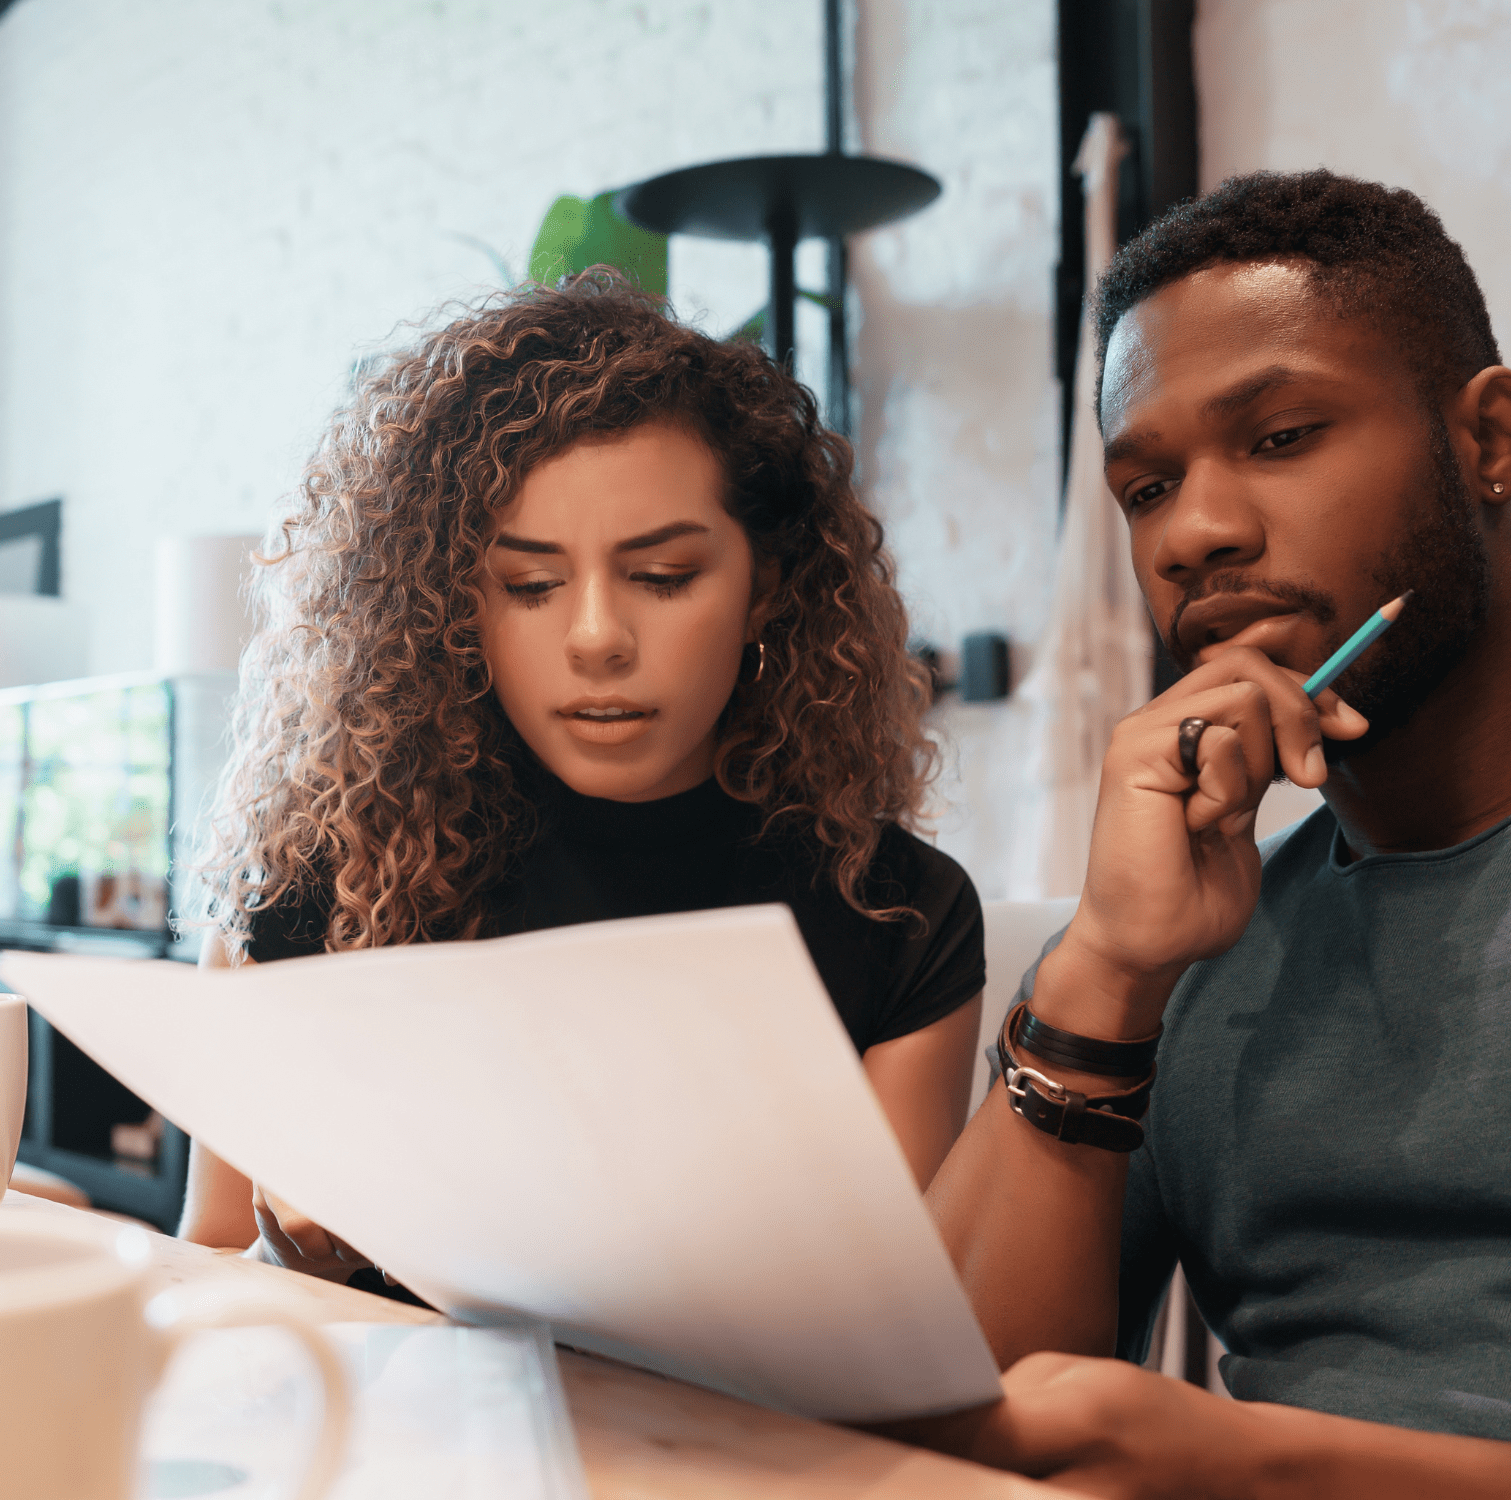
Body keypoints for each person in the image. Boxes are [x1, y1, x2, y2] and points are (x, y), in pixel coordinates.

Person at [177, 273, 987, 1289]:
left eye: (662, 577)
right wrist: (292, 1250)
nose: (598, 638)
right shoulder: (317, 887)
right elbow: (210, 1263)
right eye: (530, 586)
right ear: (452, 607)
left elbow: (899, 1322)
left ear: (766, 587)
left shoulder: (895, 912)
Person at [920, 171, 1511, 1495]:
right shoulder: (1198, 940)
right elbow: (942, 1418)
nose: (1196, 531)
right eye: (1145, 488)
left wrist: (1253, 1465)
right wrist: (1111, 970)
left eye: (1284, 436)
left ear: (1493, 439)